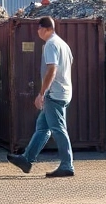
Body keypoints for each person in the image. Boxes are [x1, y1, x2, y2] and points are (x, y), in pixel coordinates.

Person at [7, 16, 75, 177]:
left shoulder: (51, 44)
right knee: (43, 127)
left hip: (55, 94)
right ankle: (26, 160)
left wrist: (42, 93)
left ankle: (67, 165)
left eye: (38, 28)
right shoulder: (63, 45)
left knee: (58, 129)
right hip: (63, 91)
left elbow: (52, 69)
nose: (37, 31)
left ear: (46, 29)